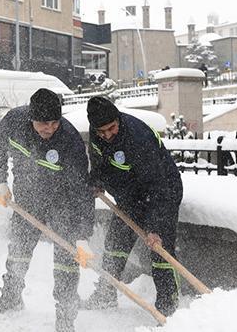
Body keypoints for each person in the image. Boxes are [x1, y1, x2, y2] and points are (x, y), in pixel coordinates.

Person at [0, 88, 94, 332]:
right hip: (27, 199)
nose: (50, 128)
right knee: (19, 251)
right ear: (31, 118)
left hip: (62, 204)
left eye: (55, 123)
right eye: (44, 123)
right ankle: (11, 297)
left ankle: (65, 319)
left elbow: (80, 192)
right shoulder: (14, 121)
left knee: (66, 260)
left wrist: (82, 235)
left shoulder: (70, 140)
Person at [82, 96, 183, 316]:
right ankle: (105, 295)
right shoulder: (98, 131)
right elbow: (100, 161)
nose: (107, 135)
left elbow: (158, 185)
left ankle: (168, 308)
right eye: (102, 131)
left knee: (160, 253)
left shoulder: (138, 138)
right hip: (131, 195)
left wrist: (155, 227)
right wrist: (96, 180)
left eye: (111, 128)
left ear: (118, 118)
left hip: (162, 193)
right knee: (115, 245)